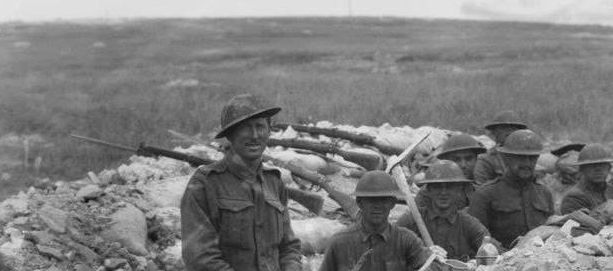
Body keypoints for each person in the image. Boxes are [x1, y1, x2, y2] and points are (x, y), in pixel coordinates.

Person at [180, 93, 303, 271]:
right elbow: (200, 258)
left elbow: (289, 247)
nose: (254, 135)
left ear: (269, 132)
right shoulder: (205, 184)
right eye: (245, 127)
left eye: (260, 126)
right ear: (230, 135)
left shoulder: (274, 183)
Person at [319, 171, 446, 271]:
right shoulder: (339, 242)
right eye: (372, 200)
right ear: (359, 203)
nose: (378, 206)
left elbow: (434, 266)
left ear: (392, 203)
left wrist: (433, 258)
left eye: (383, 200)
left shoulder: (406, 240)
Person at [467, 130, 554, 250]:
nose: (527, 164)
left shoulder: (544, 193)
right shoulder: (485, 194)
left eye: (532, 158)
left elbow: (551, 231)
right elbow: (476, 237)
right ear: (506, 158)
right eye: (520, 158)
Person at [397, 160, 491, 262]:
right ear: (429, 190)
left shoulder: (469, 225)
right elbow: (389, 250)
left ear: (459, 190)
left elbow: (493, 251)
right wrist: (420, 253)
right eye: (437, 187)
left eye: (449, 187)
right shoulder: (411, 220)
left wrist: (478, 261)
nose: (443, 192)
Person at [416, 133, 486, 210]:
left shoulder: (479, 190)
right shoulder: (429, 193)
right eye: (457, 159)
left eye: (468, 159)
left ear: (476, 160)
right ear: (446, 161)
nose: (463, 165)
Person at [560, 143, 613, 215]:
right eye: (591, 165)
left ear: (609, 168)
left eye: (602, 164)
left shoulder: (610, 190)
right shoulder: (574, 198)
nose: (598, 169)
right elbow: (576, 224)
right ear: (582, 169)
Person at [473, 112, 527, 185]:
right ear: (494, 132)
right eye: (503, 127)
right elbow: (481, 190)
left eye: (513, 127)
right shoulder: (486, 160)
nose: (509, 130)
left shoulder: (528, 156)